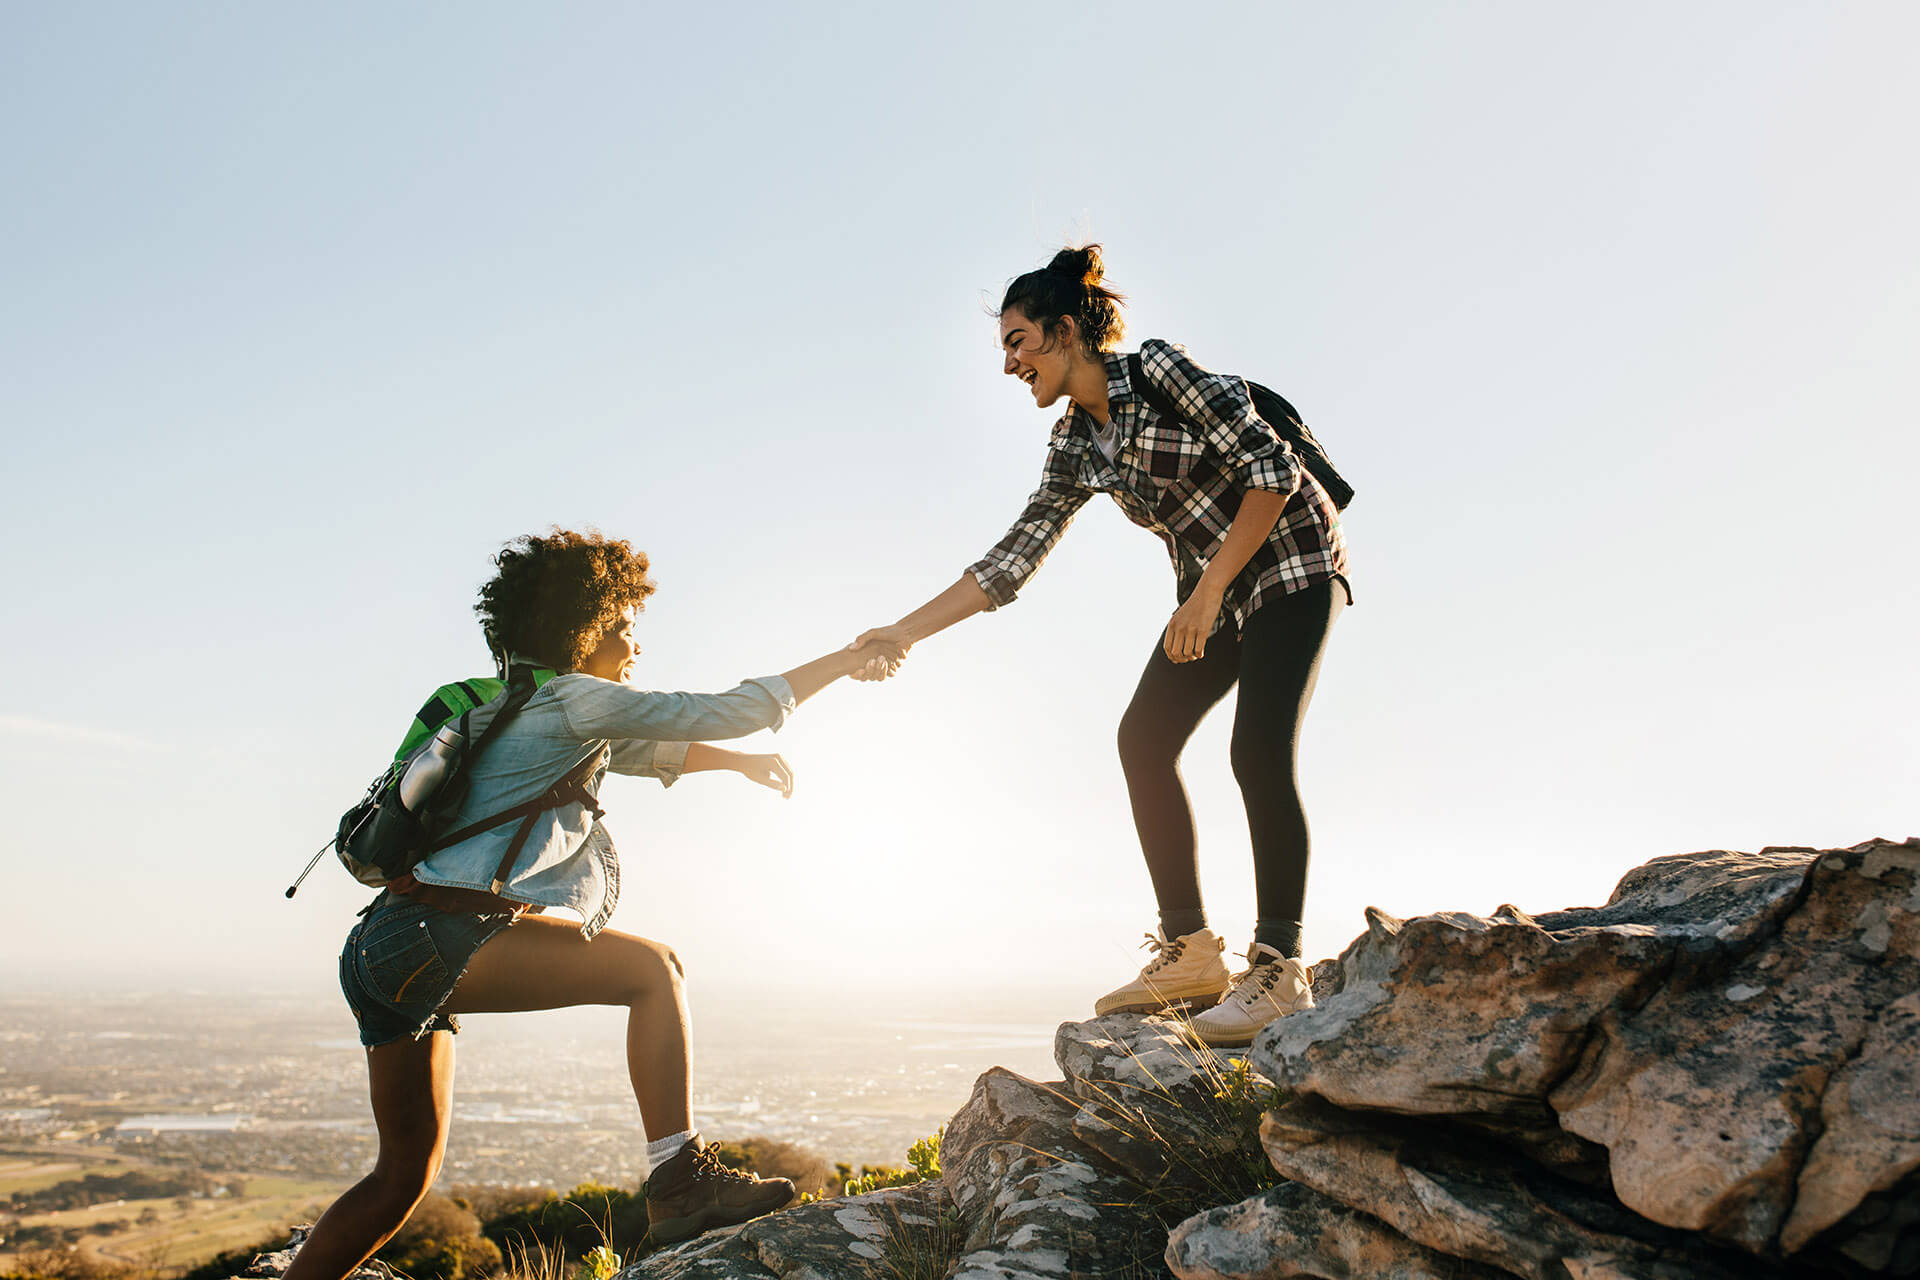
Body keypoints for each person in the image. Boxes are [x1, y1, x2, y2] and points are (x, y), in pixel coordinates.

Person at [286, 529, 902, 1280]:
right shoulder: (575, 701)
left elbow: (655, 751)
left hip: (381, 951)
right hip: (440, 938)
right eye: (624, 625)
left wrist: (738, 765)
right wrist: (844, 659)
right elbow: (724, 709)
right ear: (586, 626)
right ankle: (679, 1180)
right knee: (654, 971)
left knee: (401, 1177)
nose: (635, 644)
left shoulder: (516, 710)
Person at [851, 246, 1348, 1047]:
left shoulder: (1158, 370)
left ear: (1068, 331)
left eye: (1018, 341)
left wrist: (1211, 588)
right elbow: (1012, 560)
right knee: (1143, 739)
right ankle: (1189, 952)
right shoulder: (1077, 444)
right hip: (1212, 593)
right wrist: (901, 632)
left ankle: (1279, 967)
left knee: (1256, 751)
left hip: (1290, 561)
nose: (1010, 363)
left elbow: (1272, 469)